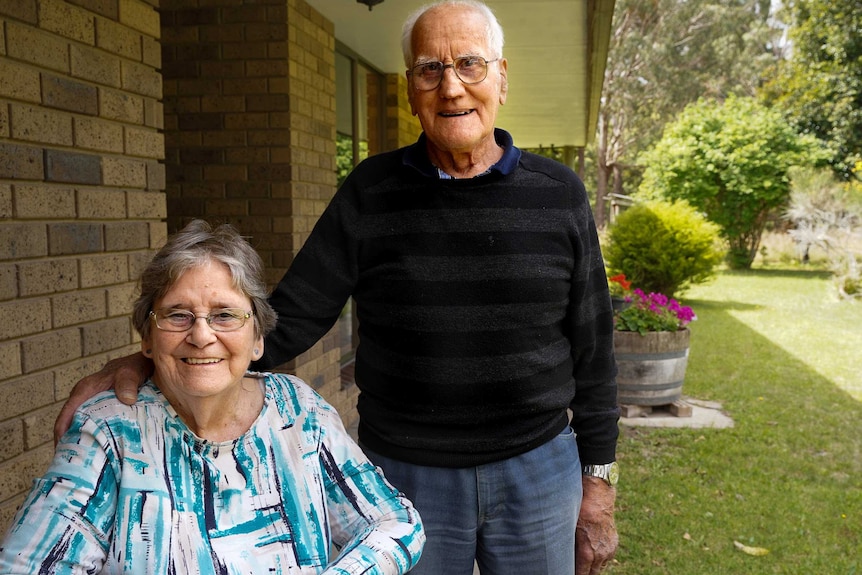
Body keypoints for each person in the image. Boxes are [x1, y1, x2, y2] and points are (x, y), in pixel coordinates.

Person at [55, 1, 619, 574]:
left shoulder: (559, 193)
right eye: (430, 69)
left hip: (539, 469)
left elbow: (593, 345)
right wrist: (164, 357)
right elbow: (293, 315)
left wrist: (597, 481)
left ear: (501, 76)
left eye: (469, 65)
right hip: (406, 474)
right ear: (409, 89)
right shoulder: (370, 193)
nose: (451, 88)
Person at [5, 220, 424, 574]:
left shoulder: (298, 412)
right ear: (146, 339)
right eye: (177, 315)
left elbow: (395, 522)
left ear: (257, 337)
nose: (202, 335)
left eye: (224, 314)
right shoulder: (109, 431)